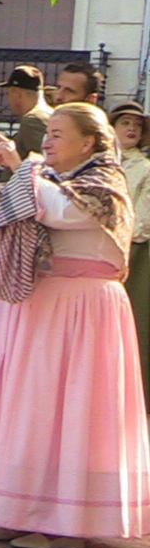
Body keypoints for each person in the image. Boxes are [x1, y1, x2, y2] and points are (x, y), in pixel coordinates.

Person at [0, 103, 150, 548]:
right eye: (48, 133)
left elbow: (57, 210)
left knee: (70, 409)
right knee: (28, 407)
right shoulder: (47, 179)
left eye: (58, 134)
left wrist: (23, 166)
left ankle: (68, 523)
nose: (48, 141)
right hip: (40, 303)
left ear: (88, 142)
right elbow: (0, 209)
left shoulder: (104, 184)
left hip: (80, 309)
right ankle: (18, 510)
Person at [113, 100, 150, 410]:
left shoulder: (144, 169)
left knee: (133, 324)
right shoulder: (104, 163)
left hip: (134, 254)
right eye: (125, 123)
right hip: (99, 253)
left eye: (137, 125)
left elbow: (142, 221)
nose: (132, 129)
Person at [1, 65, 53, 160]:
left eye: (9, 93)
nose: (9, 99)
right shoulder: (51, 112)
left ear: (17, 92)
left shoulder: (32, 120)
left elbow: (43, 161)